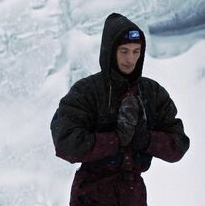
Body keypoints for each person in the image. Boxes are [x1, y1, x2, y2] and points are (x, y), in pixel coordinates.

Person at [50, 13, 189, 205]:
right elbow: (66, 143)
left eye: (136, 51)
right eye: (124, 51)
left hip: (134, 195)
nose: (130, 59)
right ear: (110, 51)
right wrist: (115, 139)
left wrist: (145, 139)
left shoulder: (152, 92)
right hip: (91, 195)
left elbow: (178, 146)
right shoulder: (87, 91)